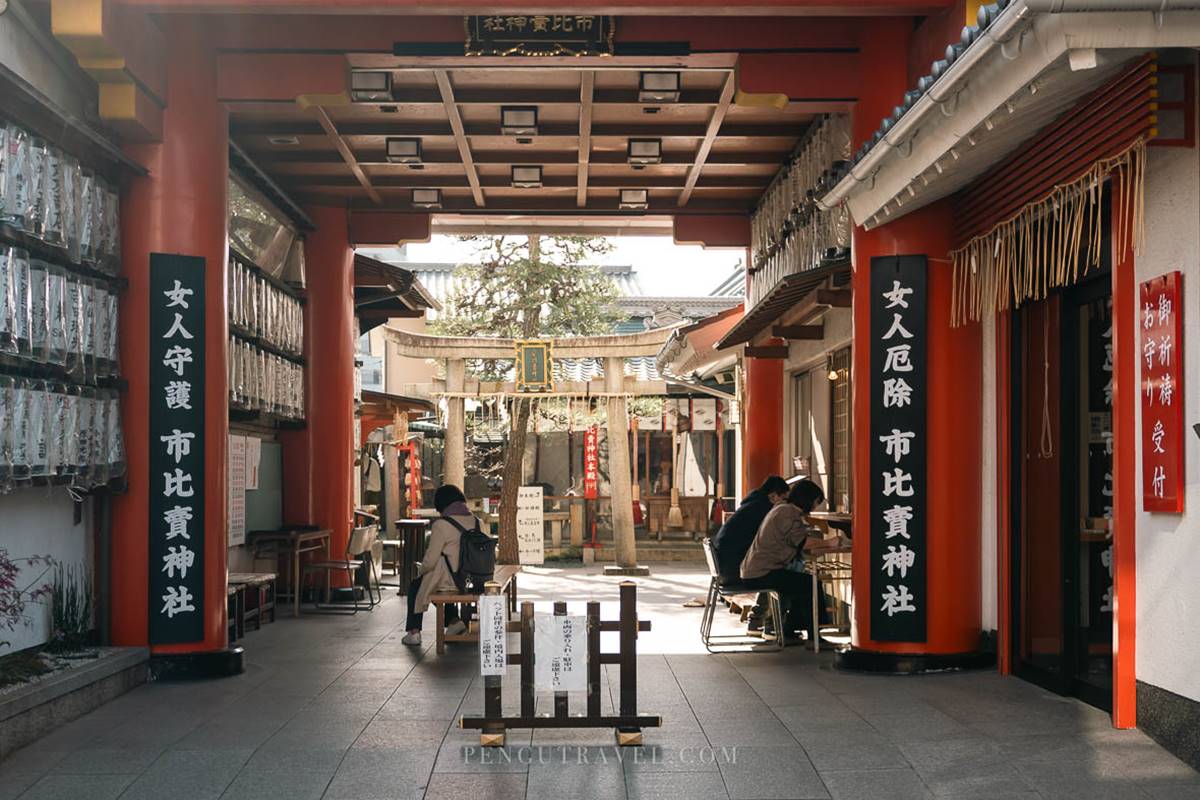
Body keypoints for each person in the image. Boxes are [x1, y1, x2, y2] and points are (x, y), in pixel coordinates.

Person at [740, 478, 849, 645]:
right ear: (807, 500)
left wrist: (827, 546)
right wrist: (829, 543)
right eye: (815, 502)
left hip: (757, 570)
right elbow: (802, 542)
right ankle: (814, 636)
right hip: (763, 572)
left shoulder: (782, 509)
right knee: (809, 584)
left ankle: (790, 629)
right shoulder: (788, 513)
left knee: (800, 582)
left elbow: (798, 544)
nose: (815, 507)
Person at [401, 484, 478, 646]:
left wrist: (420, 570)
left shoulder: (441, 525)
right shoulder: (477, 522)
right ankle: (454, 622)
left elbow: (430, 560)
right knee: (436, 583)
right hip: (472, 579)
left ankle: (414, 632)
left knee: (418, 585)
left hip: (450, 580)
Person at [711, 475, 789, 583]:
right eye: (784, 499)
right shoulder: (762, 508)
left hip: (724, 566)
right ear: (773, 496)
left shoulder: (753, 503)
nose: (785, 504)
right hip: (732, 570)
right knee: (782, 574)